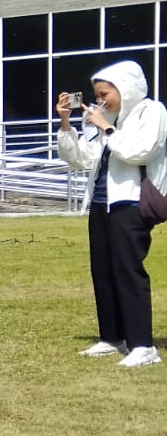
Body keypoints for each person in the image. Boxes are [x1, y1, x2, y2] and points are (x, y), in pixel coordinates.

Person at [57, 60, 167, 368]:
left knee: (127, 271)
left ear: (125, 88)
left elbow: (140, 151)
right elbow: (82, 158)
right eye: (98, 94)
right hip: (101, 203)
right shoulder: (110, 117)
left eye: (106, 93)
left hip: (130, 203)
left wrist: (106, 126)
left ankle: (143, 345)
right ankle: (112, 337)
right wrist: (67, 123)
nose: (101, 100)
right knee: (102, 271)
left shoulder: (151, 111)